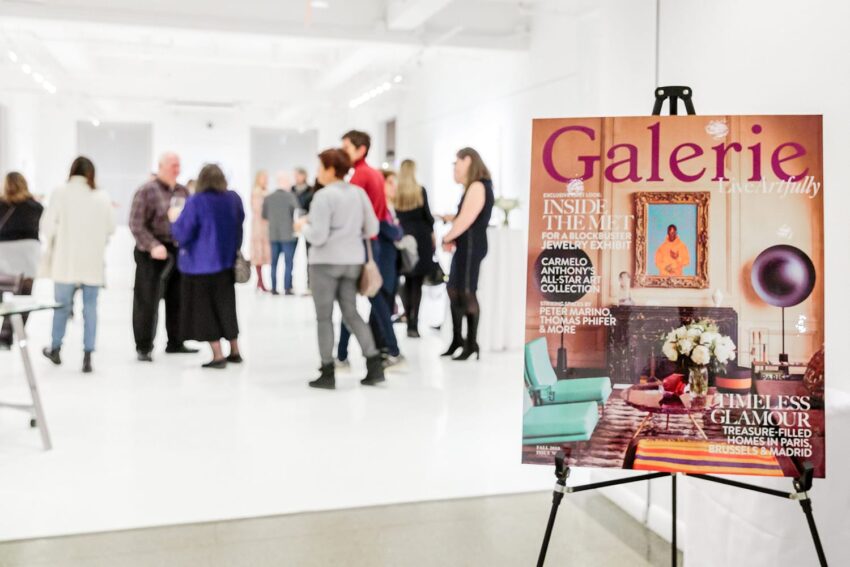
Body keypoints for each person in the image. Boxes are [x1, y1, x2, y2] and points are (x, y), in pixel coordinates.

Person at [294, 148, 385, 389]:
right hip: (353, 261)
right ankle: (374, 362)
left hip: (325, 262)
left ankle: (327, 370)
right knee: (351, 313)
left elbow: (319, 236)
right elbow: (373, 228)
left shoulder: (323, 197)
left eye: (320, 168)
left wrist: (302, 227)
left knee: (324, 318)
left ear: (331, 169)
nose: (317, 173)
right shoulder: (358, 194)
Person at [40, 157, 115, 373]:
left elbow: (47, 226)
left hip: (66, 261)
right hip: (91, 262)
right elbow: (110, 228)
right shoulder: (101, 196)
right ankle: (88, 355)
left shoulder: (60, 192)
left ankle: (55, 348)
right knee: (90, 309)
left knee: (61, 307)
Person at [337, 130, 402, 367]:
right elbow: (382, 215)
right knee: (363, 300)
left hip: (361, 245)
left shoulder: (360, 177)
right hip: (370, 245)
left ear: (360, 149)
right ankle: (344, 354)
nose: (342, 153)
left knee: (355, 301)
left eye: (346, 148)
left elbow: (350, 215)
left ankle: (345, 355)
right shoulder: (372, 175)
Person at [170, 164, 245, 369]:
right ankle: (235, 350)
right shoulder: (233, 199)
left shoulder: (196, 201)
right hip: (226, 262)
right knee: (227, 307)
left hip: (200, 266)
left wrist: (173, 220)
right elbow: (239, 226)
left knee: (206, 311)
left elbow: (182, 233)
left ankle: (217, 355)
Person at [129, 152, 197, 362]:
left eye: (179, 164)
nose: (177, 168)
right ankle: (144, 347)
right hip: (152, 253)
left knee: (178, 299)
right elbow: (136, 224)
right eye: (173, 165)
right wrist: (153, 246)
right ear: (161, 166)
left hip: (177, 250)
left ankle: (176, 342)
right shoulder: (146, 191)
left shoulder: (183, 191)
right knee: (147, 301)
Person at [440, 147, 494, 361]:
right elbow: (465, 216)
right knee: (454, 290)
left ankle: (471, 344)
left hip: (472, 245)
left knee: (466, 291)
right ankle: (458, 340)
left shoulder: (478, 185)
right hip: (467, 245)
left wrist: (447, 237)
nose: (456, 166)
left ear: (468, 160)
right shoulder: (474, 186)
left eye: (458, 161)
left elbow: (467, 220)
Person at [0, 172, 43, 349]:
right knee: (24, 295)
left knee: (4, 292)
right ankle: (12, 332)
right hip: (27, 253)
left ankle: (4, 332)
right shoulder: (35, 207)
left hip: (4, 253)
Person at [394, 159, 436, 338]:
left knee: (406, 280)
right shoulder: (420, 191)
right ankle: (413, 324)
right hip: (421, 238)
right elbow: (428, 217)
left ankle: (406, 315)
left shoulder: (396, 193)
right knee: (417, 284)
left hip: (403, 238)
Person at [263, 171, 299, 295]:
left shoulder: (268, 197)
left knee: (274, 263)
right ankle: (287, 288)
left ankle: (273, 288)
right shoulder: (290, 197)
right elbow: (297, 212)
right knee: (288, 262)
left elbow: (264, 215)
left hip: (273, 234)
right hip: (288, 235)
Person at [250, 170, 271, 292]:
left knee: (263, 253)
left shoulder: (266, 192)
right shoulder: (257, 192)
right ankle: (260, 281)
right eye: (263, 178)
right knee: (258, 253)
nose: (265, 180)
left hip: (265, 226)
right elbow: (258, 209)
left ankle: (260, 281)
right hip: (259, 226)